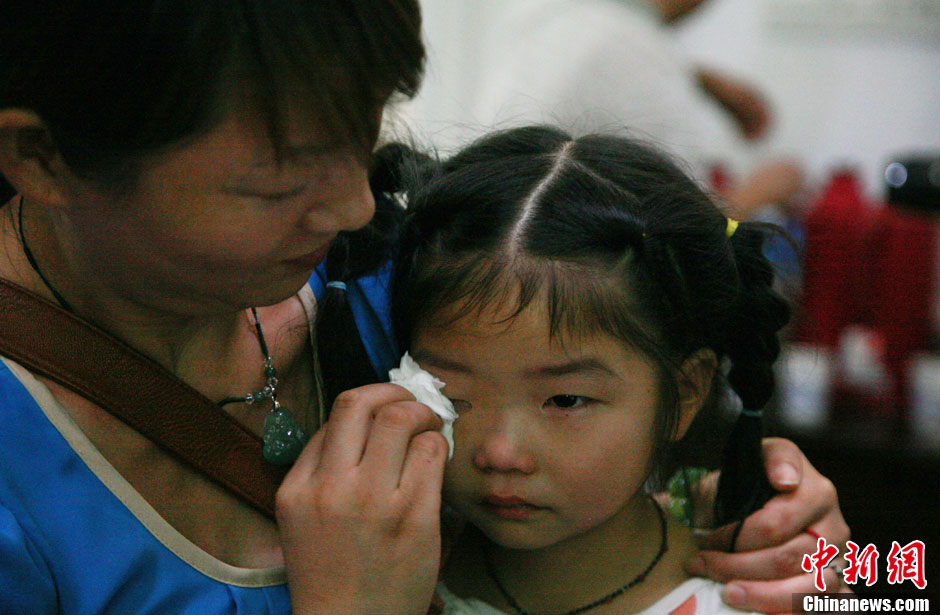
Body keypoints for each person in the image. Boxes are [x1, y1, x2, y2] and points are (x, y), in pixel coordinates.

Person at [0, 3, 845, 614]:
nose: (357, 209)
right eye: (277, 184)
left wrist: (798, 533)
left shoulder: (407, 278)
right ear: (41, 157)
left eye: (364, 136)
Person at [385, 125, 846, 614]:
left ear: (684, 394)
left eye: (565, 400)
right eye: (448, 393)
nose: (500, 453)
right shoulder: (381, 577)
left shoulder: (747, 601)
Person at [399, 0, 804, 221]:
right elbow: (690, 237)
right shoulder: (644, 55)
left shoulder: (552, 16)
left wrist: (694, 75)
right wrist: (760, 192)